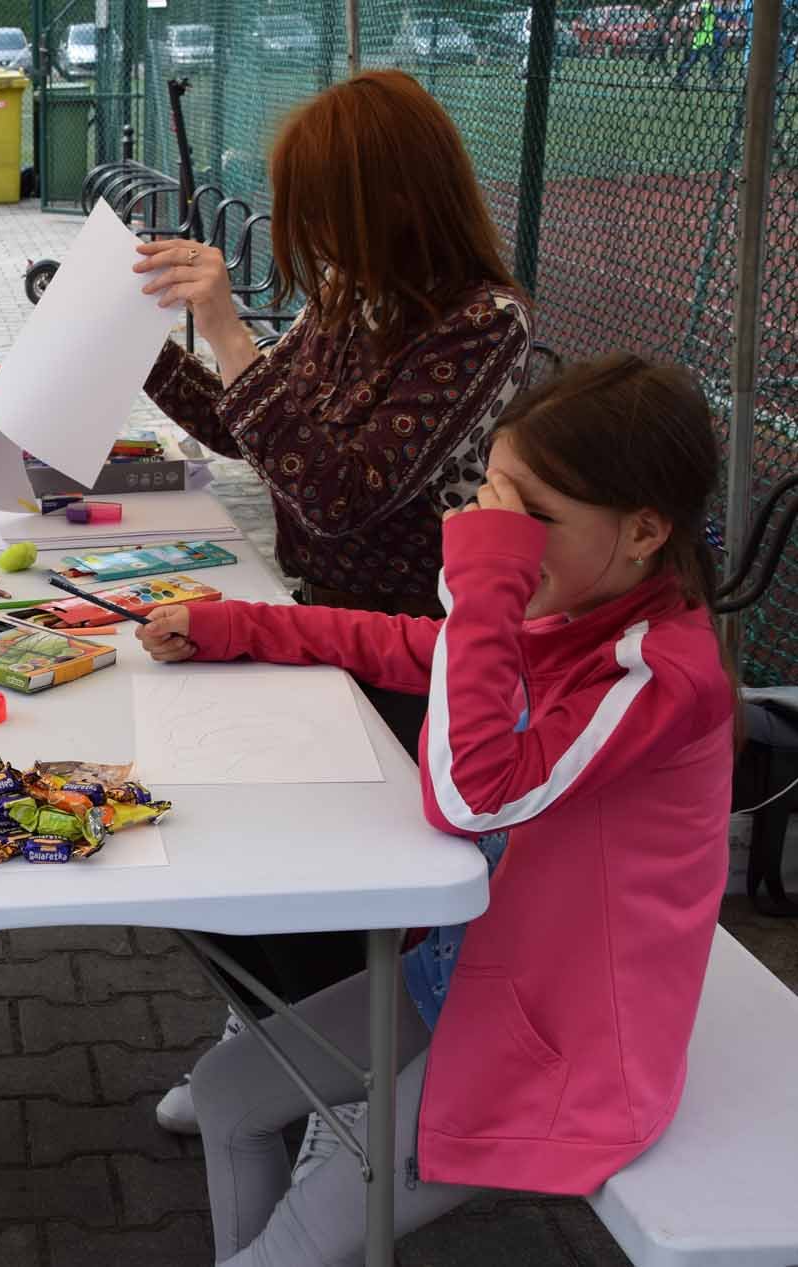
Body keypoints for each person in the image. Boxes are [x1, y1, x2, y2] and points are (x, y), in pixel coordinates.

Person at [136, 355, 735, 1266]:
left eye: (532, 519)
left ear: (645, 530)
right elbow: (412, 644)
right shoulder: (577, 612)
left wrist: (485, 585)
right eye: (492, 503)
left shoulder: (661, 673)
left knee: (287, 1246)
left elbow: (470, 794)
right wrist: (234, 625)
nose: (499, 536)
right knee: (229, 1093)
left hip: (560, 1041)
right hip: (472, 975)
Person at [134, 68, 531, 1152]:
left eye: (318, 209)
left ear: (392, 196)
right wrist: (142, 352)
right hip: (313, 624)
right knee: (232, 839)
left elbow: (342, 492)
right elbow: (253, 431)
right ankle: (271, 1040)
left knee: (339, 874)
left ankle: (333, 1084)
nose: (304, 236)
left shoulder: (483, 325)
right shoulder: (350, 299)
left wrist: (227, 332)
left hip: (413, 653)